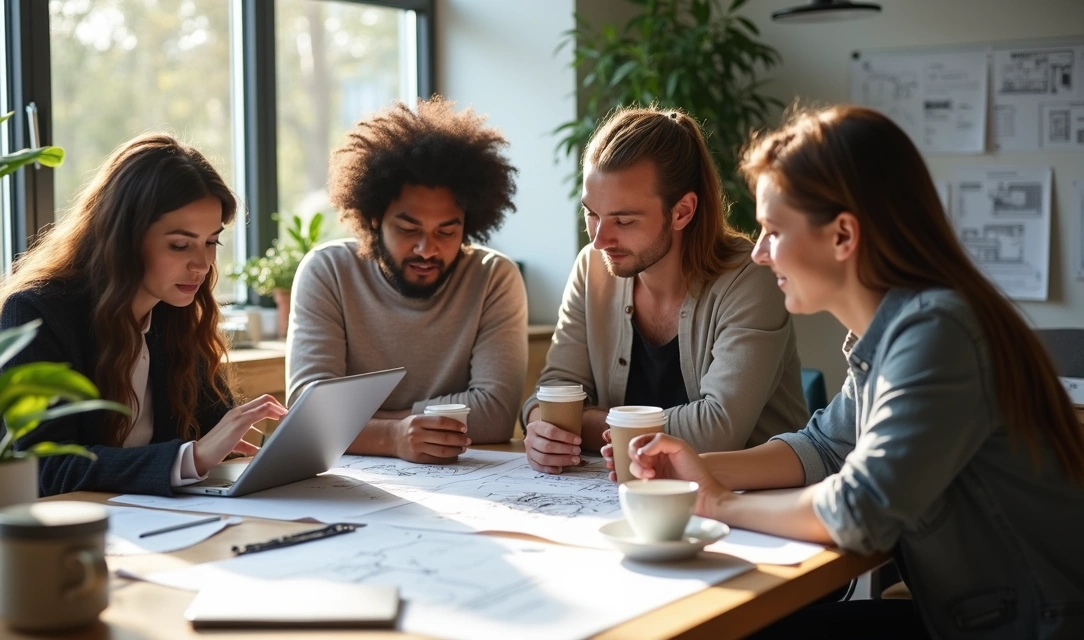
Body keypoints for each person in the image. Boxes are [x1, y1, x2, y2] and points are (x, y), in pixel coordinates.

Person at [611, 106, 1084, 638]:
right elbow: (824, 447)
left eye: (772, 230)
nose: (761, 254)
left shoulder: (937, 335)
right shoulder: (895, 331)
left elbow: (861, 509)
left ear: (842, 236)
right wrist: (703, 468)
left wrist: (715, 503)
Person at [0, 133, 287, 497]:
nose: (202, 265)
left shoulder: (179, 316)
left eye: (211, 242)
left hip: (151, 526)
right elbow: (41, 466)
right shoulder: (36, 312)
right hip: (62, 536)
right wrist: (193, 457)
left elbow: (212, 433)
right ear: (123, 238)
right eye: (180, 245)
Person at [522, 107, 807, 474]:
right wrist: (541, 428)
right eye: (592, 214)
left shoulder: (751, 277)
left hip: (751, 501)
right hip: (623, 495)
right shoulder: (592, 267)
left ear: (682, 212)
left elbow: (717, 431)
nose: (599, 240)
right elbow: (553, 394)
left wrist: (582, 423)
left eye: (623, 220)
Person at [286, 97, 527, 465]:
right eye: (408, 228)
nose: (427, 249)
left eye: (447, 231)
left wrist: (358, 424)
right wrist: (393, 437)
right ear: (372, 218)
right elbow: (309, 412)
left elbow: (494, 415)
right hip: (353, 486)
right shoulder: (328, 272)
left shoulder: (493, 278)